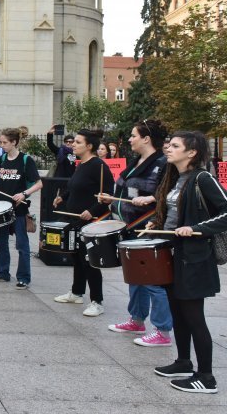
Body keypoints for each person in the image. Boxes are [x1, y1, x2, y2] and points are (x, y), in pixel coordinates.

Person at [143, 131, 226, 393]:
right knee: (178, 313)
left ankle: (206, 377)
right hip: (174, 255)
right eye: (168, 144)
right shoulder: (177, 178)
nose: (168, 149)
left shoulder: (203, 178)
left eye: (175, 146)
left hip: (195, 259)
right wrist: (157, 225)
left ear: (192, 152)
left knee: (194, 317)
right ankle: (183, 361)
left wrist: (196, 227)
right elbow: (174, 216)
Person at [98, 120, 171, 347]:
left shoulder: (162, 163)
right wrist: (110, 199)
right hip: (130, 226)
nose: (130, 139)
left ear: (146, 139)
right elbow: (122, 189)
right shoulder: (135, 162)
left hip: (148, 226)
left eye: (133, 135)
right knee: (135, 276)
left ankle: (163, 330)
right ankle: (137, 319)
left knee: (152, 279)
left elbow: (170, 193)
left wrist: (152, 198)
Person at [53, 129, 115, 317]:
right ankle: (77, 292)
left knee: (90, 262)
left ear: (89, 146)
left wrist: (92, 211)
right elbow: (74, 187)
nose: (73, 145)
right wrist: (62, 197)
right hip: (74, 218)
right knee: (77, 258)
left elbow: (107, 195)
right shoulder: (81, 164)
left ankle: (97, 301)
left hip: (90, 221)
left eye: (78, 142)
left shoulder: (99, 166)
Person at [0, 128, 43, 288]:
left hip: (19, 208)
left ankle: (23, 277)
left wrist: (24, 193)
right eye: (0, 142)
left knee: (21, 245)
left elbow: (39, 183)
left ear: (14, 142)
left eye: (4, 142)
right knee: (1, 243)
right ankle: (2, 273)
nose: (1, 145)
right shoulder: (2, 159)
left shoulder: (25, 160)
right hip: (2, 207)